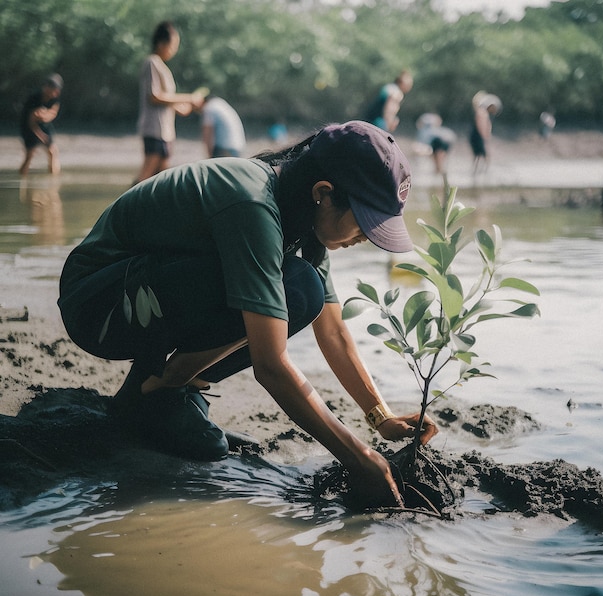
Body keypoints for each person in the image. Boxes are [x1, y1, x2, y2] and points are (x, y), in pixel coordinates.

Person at [57, 120, 439, 508]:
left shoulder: (305, 218)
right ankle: (159, 390)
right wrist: (359, 459)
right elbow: (270, 364)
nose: (365, 240)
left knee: (300, 292)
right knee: (292, 291)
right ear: (323, 193)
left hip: (148, 292)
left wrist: (381, 417)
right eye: (365, 224)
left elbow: (334, 331)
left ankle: (168, 388)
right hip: (98, 304)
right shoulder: (253, 203)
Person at [134, 21, 205, 184]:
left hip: (165, 131)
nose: (174, 49)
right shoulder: (152, 62)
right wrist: (188, 98)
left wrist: (186, 107)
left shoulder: (162, 67)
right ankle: (124, 207)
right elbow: (154, 97)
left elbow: (167, 100)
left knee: (162, 178)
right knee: (146, 176)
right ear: (161, 43)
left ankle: (151, 209)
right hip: (154, 129)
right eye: (173, 45)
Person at [18, 73, 64, 177]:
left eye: (57, 90)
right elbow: (31, 121)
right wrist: (41, 135)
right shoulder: (34, 98)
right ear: (46, 88)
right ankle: (22, 180)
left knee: (53, 152)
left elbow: (53, 112)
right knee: (30, 155)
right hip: (28, 126)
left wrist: (45, 116)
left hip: (44, 124)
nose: (56, 92)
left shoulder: (55, 98)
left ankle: (53, 183)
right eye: (52, 89)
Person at [469, 91, 502, 174]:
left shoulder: (483, 112)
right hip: (478, 136)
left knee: (478, 155)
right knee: (483, 154)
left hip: (477, 136)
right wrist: (485, 137)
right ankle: (483, 171)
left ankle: (478, 170)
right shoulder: (482, 112)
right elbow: (481, 126)